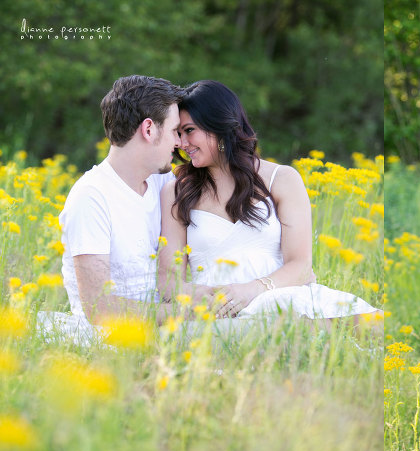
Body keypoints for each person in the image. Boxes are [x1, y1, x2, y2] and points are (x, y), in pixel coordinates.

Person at [158, 80, 378, 323]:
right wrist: (208, 297)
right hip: (218, 308)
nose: (182, 143)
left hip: (277, 295)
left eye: (189, 131)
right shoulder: (177, 192)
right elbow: (168, 283)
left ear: (219, 126)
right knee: (291, 331)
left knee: (370, 324)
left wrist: (252, 290)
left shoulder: (281, 179)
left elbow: (301, 265)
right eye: (178, 133)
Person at [56, 75, 213, 331]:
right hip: (110, 341)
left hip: (165, 331)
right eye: (175, 131)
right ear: (149, 129)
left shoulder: (162, 184)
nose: (179, 143)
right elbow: (100, 309)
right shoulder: (91, 196)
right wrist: (185, 310)